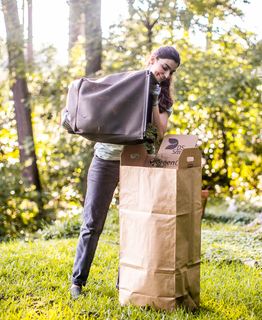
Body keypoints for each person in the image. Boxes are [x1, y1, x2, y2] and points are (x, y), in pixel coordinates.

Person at [70, 45, 181, 298]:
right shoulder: (126, 83)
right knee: (92, 223)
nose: (166, 75)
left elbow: (160, 131)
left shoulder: (163, 98)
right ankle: (78, 282)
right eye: (164, 67)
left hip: (138, 163)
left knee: (135, 223)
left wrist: (153, 97)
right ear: (152, 60)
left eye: (171, 72)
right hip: (105, 160)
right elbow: (102, 112)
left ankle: (126, 283)